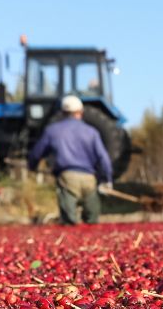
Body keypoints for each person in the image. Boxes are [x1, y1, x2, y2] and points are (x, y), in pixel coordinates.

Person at [28, 95, 113, 224]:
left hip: (67, 179)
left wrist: (32, 166)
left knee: (69, 224)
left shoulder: (52, 131)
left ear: (62, 112)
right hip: (89, 180)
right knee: (92, 223)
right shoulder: (91, 132)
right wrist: (107, 180)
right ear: (81, 112)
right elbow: (103, 158)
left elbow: (36, 153)